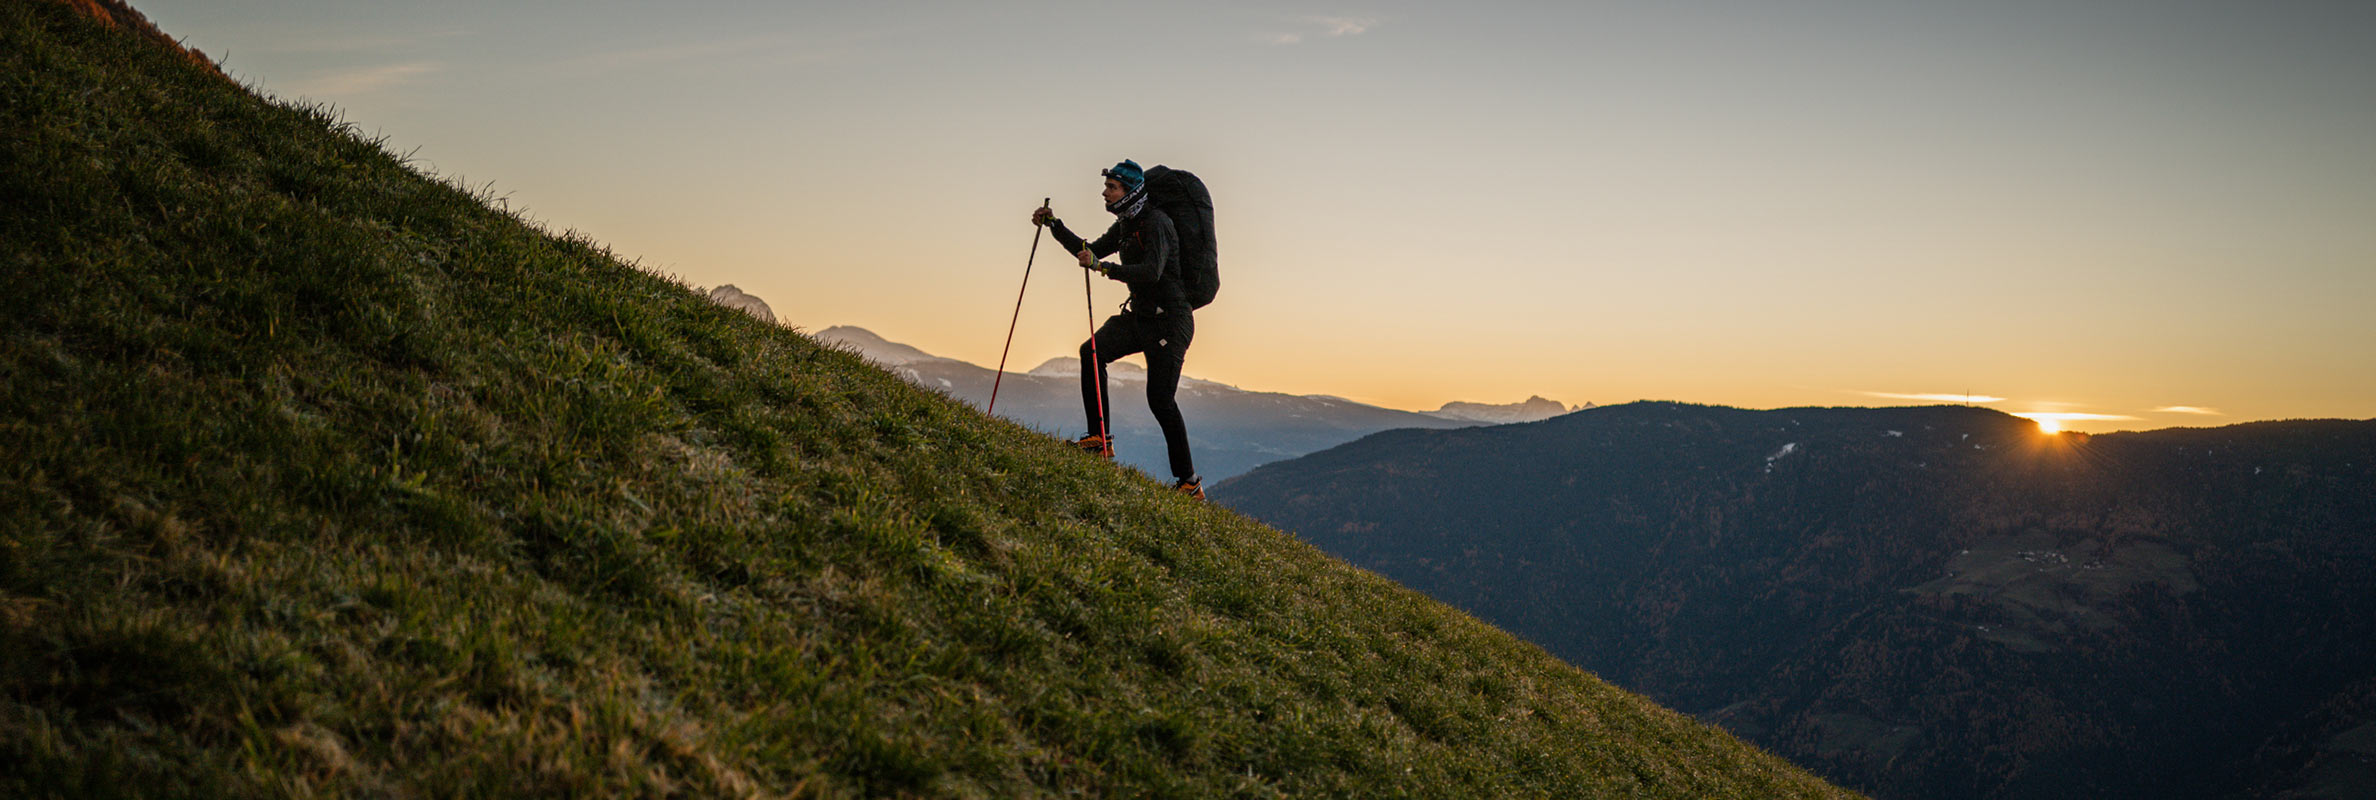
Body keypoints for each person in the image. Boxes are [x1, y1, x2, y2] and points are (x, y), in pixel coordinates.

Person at [1031, 159, 1202, 499]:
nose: (1104, 192)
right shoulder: (1128, 225)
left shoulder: (1157, 223)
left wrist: (1104, 268)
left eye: (1111, 187)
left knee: (1160, 399)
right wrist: (1054, 225)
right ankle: (1099, 440)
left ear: (1129, 191)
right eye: (1107, 186)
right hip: (1141, 317)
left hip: (1170, 320)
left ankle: (1189, 484)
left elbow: (1151, 272)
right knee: (1092, 352)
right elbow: (1089, 251)